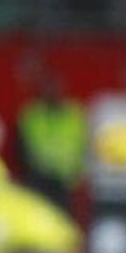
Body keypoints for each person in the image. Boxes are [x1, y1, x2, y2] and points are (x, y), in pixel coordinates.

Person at [16, 72, 87, 212]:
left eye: (56, 88)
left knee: (62, 222)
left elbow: (84, 146)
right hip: (38, 179)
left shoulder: (75, 115)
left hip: (65, 182)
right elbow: (21, 147)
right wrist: (31, 173)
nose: (52, 92)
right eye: (48, 89)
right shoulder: (33, 114)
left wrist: (79, 173)